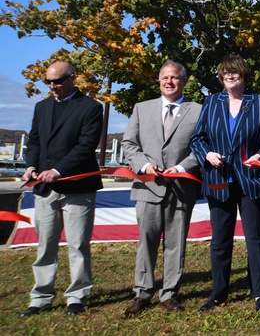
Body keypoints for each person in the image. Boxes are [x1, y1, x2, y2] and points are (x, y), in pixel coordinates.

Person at [190, 55, 260, 313]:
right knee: (220, 241)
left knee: (255, 239)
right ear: (221, 77)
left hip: (250, 181)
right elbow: (198, 138)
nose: (230, 76)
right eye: (226, 72)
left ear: (243, 75)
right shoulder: (211, 102)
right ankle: (218, 293)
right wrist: (207, 154)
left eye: (235, 72)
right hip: (219, 181)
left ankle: (259, 293)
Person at [19, 61, 103, 317]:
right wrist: (31, 165)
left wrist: (58, 170)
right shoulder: (41, 107)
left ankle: (78, 295)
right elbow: (34, 140)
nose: (52, 86)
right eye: (48, 82)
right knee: (46, 245)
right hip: (45, 188)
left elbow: (86, 145)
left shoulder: (91, 107)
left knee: (78, 244)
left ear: (73, 79)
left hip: (77, 187)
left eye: (57, 81)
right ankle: (41, 296)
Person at [121, 61, 203, 315]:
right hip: (148, 186)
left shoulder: (199, 111)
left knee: (176, 243)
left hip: (180, 187)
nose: (170, 81)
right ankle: (142, 292)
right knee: (146, 242)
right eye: (165, 77)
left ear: (184, 81)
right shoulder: (141, 109)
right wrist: (144, 165)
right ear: (158, 81)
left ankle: (169, 293)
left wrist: (181, 168)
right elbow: (129, 144)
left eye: (175, 78)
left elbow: (201, 146)